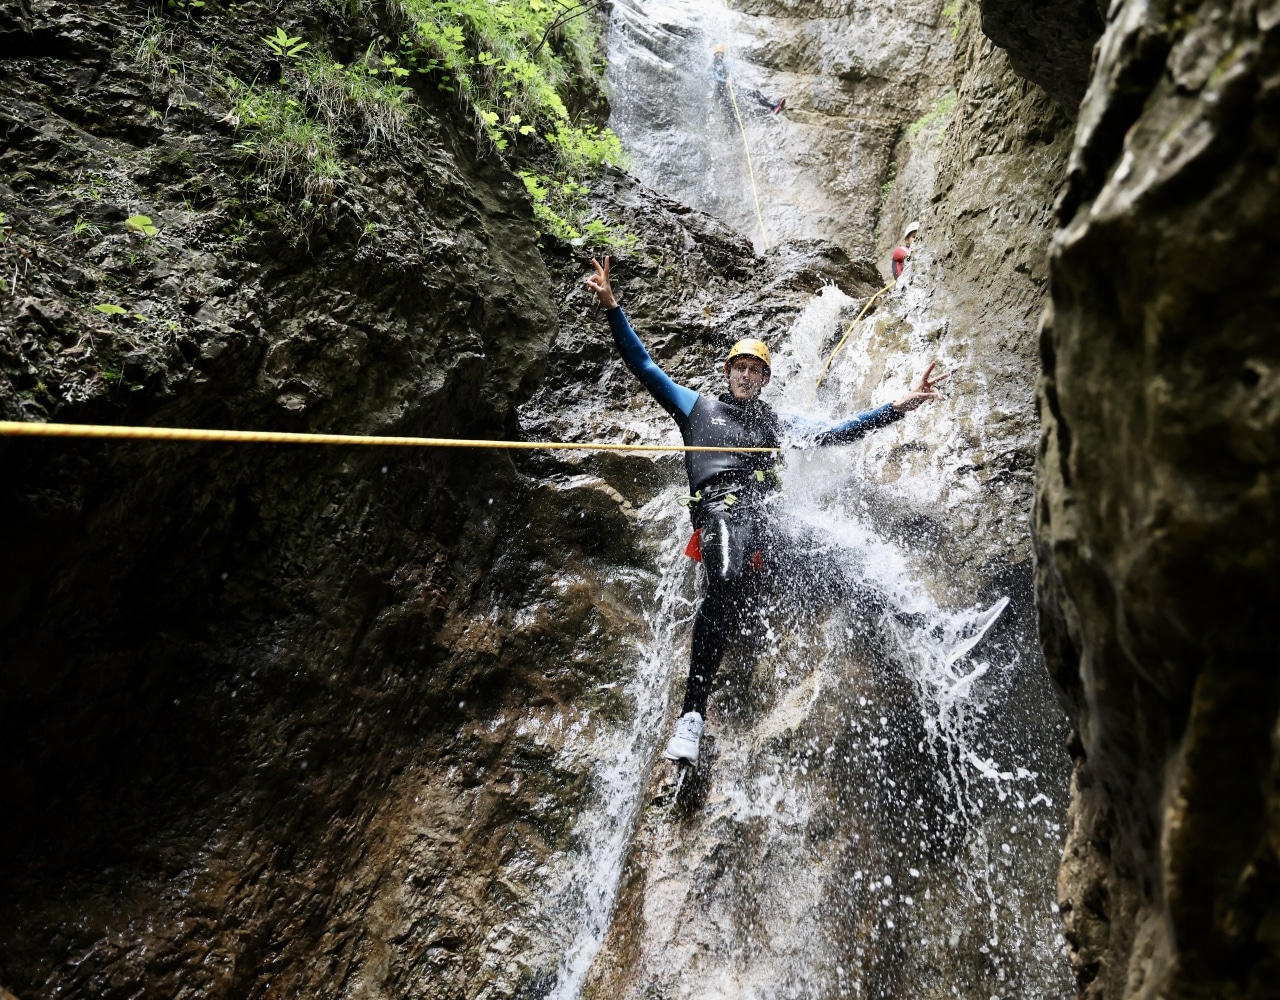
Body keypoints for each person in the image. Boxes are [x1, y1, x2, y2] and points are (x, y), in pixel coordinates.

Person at [583, 256, 948, 765]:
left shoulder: (777, 422)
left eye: (756, 370)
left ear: (764, 379)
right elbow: (645, 366)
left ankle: (928, 625)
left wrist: (899, 406)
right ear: (728, 371)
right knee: (726, 581)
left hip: (766, 516)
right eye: (741, 367)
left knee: (846, 559)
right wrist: (613, 308)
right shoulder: (696, 407)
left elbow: (839, 430)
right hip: (720, 512)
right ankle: (691, 719)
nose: (747, 375)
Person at [712, 44, 785, 116]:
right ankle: (737, 126)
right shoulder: (713, 66)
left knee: (756, 93)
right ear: (715, 54)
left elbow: (735, 72)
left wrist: (733, 77)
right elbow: (716, 77)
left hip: (732, 88)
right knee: (732, 110)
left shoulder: (725, 64)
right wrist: (726, 81)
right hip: (724, 92)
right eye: (718, 53)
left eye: (721, 53)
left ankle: (773, 106)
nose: (720, 55)